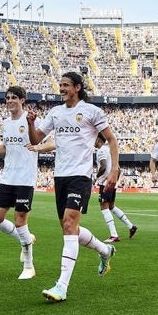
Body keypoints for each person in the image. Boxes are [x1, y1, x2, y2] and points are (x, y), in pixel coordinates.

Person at [27, 71, 119, 303]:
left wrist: (115, 169)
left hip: (81, 175)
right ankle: (105, 250)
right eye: (60, 85)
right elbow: (37, 138)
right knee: (71, 229)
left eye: (66, 85)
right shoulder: (56, 113)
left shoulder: (91, 111)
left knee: (69, 224)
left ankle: (62, 286)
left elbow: (111, 139)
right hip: (61, 177)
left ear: (77, 87)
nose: (62, 88)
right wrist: (30, 123)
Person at [0, 86, 39, 280]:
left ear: (22, 100)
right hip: (7, 178)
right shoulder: (5, 123)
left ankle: (29, 266)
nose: (10, 101)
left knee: (21, 222)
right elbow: (6, 148)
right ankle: (26, 239)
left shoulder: (30, 119)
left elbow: (41, 140)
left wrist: (36, 142)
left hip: (25, 179)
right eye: (8, 98)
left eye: (14, 98)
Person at [95, 134, 137, 242]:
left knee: (104, 207)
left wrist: (95, 178)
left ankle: (114, 235)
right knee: (112, 207)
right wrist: (114, 182)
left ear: (98, 140)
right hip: (112, 183)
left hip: (105, 183)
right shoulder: (109, 150)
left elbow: (103, 167)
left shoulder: (100, 151)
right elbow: (118, 169)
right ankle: (131, 226)